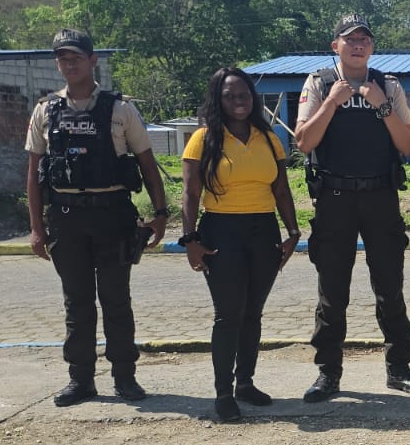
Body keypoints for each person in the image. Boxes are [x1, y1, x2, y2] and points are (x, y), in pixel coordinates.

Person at [25, 28, 169, 407]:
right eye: (62, 59)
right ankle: (81, 379)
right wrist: (36, 228)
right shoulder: (45, 111)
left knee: (116, 300)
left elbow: (147, 165)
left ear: (93, 61)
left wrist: (160, 214)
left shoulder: (120, 110)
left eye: (76, 57)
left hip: (112, 216)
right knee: (77, 303)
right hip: (66, 217)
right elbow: (34, 174)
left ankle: (124, 376)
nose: (69, 64)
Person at [294, 13, 410, 402]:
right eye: (350, 39)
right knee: (332, 291)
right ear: (335, 45)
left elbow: (408, 145)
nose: (358, 45)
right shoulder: (319, 83)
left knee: (390, 287)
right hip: (334, 199)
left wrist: (381, 105)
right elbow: (304, 142)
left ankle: (399, 368)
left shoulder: (388, 85)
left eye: (364, 40)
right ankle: (328, 372)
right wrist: (332, 103)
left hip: (380, 197)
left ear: (371, 46)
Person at [179, 67, 300, 423]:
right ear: (217, 100)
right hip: (222, 231)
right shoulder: (203, 138)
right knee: (228, 314)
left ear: (253, 97)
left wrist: (293, 233)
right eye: (229, 96)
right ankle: (223, 392)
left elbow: (281, 189)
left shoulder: (269, 138)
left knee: (253, 312)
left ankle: (246, 382)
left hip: (264, 231)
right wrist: (190, 240)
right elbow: (190, 193)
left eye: (244, 94)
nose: (238, 101)